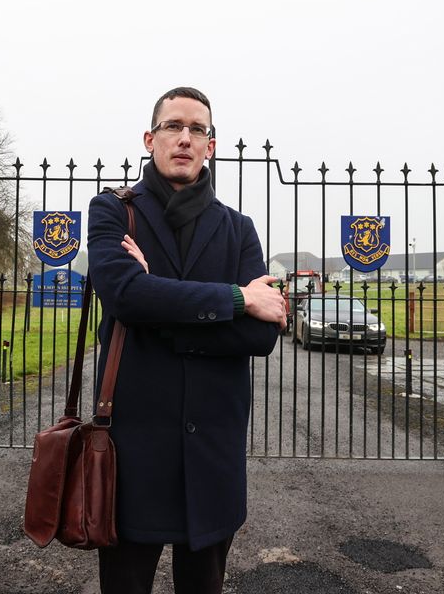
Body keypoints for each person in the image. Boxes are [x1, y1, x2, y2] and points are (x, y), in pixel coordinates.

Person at [87, 86, 286, 593]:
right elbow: (125, 297)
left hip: (212, 450)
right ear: (150, 139)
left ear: (210, 146)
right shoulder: (114, 211)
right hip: (134, 446)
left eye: (197, 129)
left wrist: (159, 303)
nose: (184, 137)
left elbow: (262, 337)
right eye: (173, 126)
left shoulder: (238, 229)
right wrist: (236, 301)